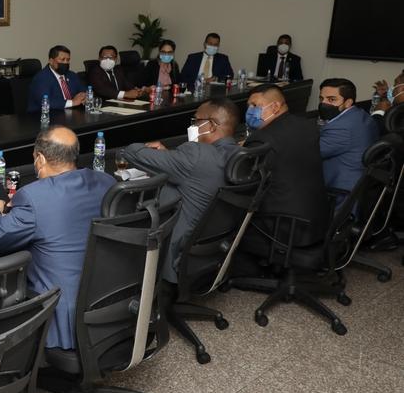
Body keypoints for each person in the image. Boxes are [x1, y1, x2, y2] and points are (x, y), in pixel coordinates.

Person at [0, 125, 116, 349]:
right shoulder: (107, 182)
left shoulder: (33, 197)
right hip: (107, 296)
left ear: (40, 158)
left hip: (62, 308)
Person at [123, 99, 241, 283]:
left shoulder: (196, 154)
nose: (192, 126)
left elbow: (133, 152)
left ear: (210, 125)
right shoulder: (240, 155)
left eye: (195, 121)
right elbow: (196, 171)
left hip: (177, 247)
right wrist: (171, 156)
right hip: (212, 245)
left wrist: (155, 153)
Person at [242, 84, 328, 249]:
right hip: (316, 218)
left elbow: (247, 183)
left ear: (275, 107)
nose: (250, 111)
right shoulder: (307, 126)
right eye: (248, 107)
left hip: (282, 226)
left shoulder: (262, 139)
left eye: (255, 106)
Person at [318, 78, 378, 193]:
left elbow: (310, 153)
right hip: (358, 184)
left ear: (348, 102)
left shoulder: (342, 128)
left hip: (338, 192)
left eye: (331, 99)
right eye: (321, 99)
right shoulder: (361, 115)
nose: (324, 103)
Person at [27, 45, 87, 112]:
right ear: (51, 61)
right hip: (43, 117)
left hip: (69, 115)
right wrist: (72, 102)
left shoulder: (72, 75)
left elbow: (84, 90)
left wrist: (84, 96)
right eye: (62, 59)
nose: (66, 63)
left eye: (68, 60)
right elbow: (46, 101)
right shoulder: (41, 78)